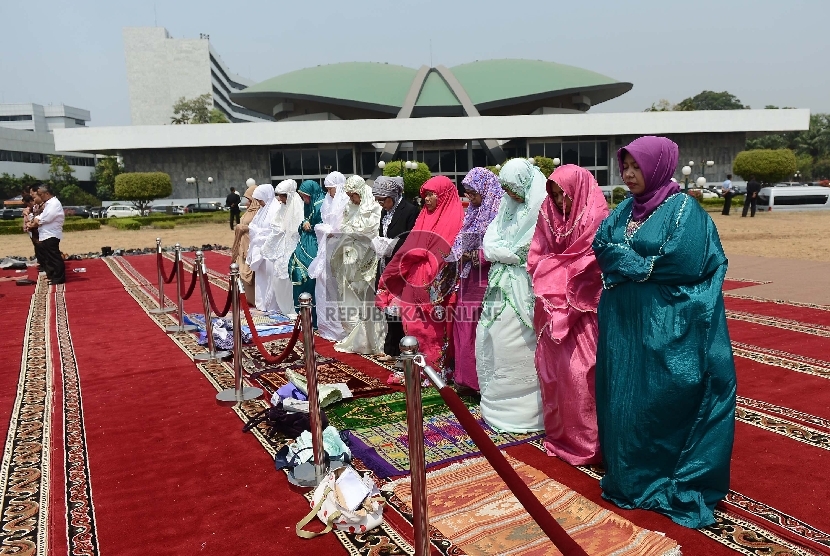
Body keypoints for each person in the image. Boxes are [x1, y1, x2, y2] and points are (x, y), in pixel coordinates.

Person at [592, 136, 736, 529]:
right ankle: (628, 476)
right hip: (623, 323)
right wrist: (632, 261)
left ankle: (667, 476)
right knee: (623, 397)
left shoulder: (685, 210)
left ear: (658, 166)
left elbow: (684, 261)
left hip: (667, 323)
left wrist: (628, 263)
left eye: (637, 166)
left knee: (660, 396)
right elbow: (601, 247)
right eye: (625, 166)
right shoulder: (624, 209)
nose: (629, 174)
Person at [527, 165, 608, 465]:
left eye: (565, 194)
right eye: (556, 194)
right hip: (552, 306)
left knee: (581, 373)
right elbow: (538, 253)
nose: (561, 201)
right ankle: (562, 438)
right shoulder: (549, 213)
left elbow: (594, 260)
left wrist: (559, 272)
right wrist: (552, 274)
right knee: (553, 375)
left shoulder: (595, 214)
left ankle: (589, 444)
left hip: (584, 307)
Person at [476, 159, 546, 433]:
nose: (510, 194)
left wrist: (507, 253)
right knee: (492, 339)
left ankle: (526, 415)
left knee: (521, 343)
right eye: (505, 188)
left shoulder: (540, 210)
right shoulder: (506, 207)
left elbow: (531, 249)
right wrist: (508, 254)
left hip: (526, 286)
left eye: (514, 187)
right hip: (501, 284)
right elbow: (490, 243)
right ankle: (496, 407)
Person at [376, 176, 463, 372]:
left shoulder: (453, 219)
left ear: (444, 195)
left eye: (432, 194)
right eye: (425, 195)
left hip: (436, 285)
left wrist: (417, 253)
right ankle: (416, 366)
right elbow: (410, 246)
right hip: (414, 279)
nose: (427, 199)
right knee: (412, 325)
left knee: (433, 330)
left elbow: (444, 253)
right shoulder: (424, 216)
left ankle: (434, 369)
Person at [445, 168, 503, 391]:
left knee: (480, 328)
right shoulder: (473, 212)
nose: (469, 197)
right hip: (468, 279)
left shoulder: (497, 214)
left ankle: (479, 382)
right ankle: (464, 378)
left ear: (485, 189)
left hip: (487, 280)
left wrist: (474, 255)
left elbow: (500, 247)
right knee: (463, 325)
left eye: (472, 192)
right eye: (466, 192)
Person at [333, 176, 386, 354]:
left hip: (368, 258)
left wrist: (355, 233)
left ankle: (373, 339)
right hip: (351, 257)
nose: (350, 199)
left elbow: (372, 231)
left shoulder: (373, 207)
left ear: (361, 192)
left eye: (353, 195)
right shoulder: (349, 206)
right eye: (348, 195)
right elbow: (345, 226)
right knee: (351, 298)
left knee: (368, 299)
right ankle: (356, 336)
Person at [371, 176, 419, 361]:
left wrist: (393, 247)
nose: (382, 204)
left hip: (402, 265)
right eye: (379, 201)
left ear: (393, 195)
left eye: (383, 200)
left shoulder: (410, 211)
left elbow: (411, 238)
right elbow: (384, 233)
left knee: (398, 308)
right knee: (387, 307)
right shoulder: (385, 212)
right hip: (386, 263)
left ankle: (398, 350)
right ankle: (391, 348)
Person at [309, 171, 350, 341]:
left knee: (338, 290)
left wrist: (326, 230)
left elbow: (342, 229)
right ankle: (327, 327)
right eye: (327, 189)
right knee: (323, 288)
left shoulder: (346, 203)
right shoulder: (328, 202)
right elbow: (327, 226)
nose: (329, 192)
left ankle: (341, 329)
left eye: (331, 189)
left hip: (340, 251)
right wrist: (323, 229)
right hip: (325, 249)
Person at [262, 179, 303, 319]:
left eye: (283, 196)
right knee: (278, 277)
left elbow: (297, 229)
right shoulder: (282, 207)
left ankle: (293, 308)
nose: (280, 199)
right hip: (281, 247)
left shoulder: (299, 207)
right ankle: (284, 307)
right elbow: (276, 224)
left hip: (293, 248)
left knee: (290, 277)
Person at [289, 180, 325, 326]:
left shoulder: (321, 204)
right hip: (305, 243)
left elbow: (326, 225)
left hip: (317, 245)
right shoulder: (309, 205)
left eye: (306, 196)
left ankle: (314, 318)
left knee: (310, 277)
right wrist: (303, 224)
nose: (305, 200)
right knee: (298, 273)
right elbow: (305, 220)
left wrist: (311, 227)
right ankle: (302, 315)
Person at [246, 183, 282, 313]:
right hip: (259, 250)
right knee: (261, 278)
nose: (259, 203)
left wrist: (260, 234)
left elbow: (275, 230)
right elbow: (253, 226)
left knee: (271, 277)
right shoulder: (262, 210)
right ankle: (262, 304)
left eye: (260, 199)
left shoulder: (276, 209)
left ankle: (272, 306)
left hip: (271, 250)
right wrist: (257, 233)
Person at [27, 184, 65, 285]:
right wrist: (35, 221)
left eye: (40, 194)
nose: (40, 197)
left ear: (47, 193)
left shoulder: (54, 204)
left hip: (51, 233)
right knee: (49, 256)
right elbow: (40, 217)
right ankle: (54, 276)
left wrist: (35, 221)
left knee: (54, 256)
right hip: (46, 234)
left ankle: (59, 277)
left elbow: (45, 218)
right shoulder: (49, 203)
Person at [231, 181, 261, 305]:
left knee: (250, 274)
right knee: (242, 272)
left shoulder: (260, 212)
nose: (246, 202)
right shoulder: (249, 211)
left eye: (249, 199)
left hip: (251, 247)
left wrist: (243, 228)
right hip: (242, 247)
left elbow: (259, 229)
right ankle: (248, 298)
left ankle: (254, 300)